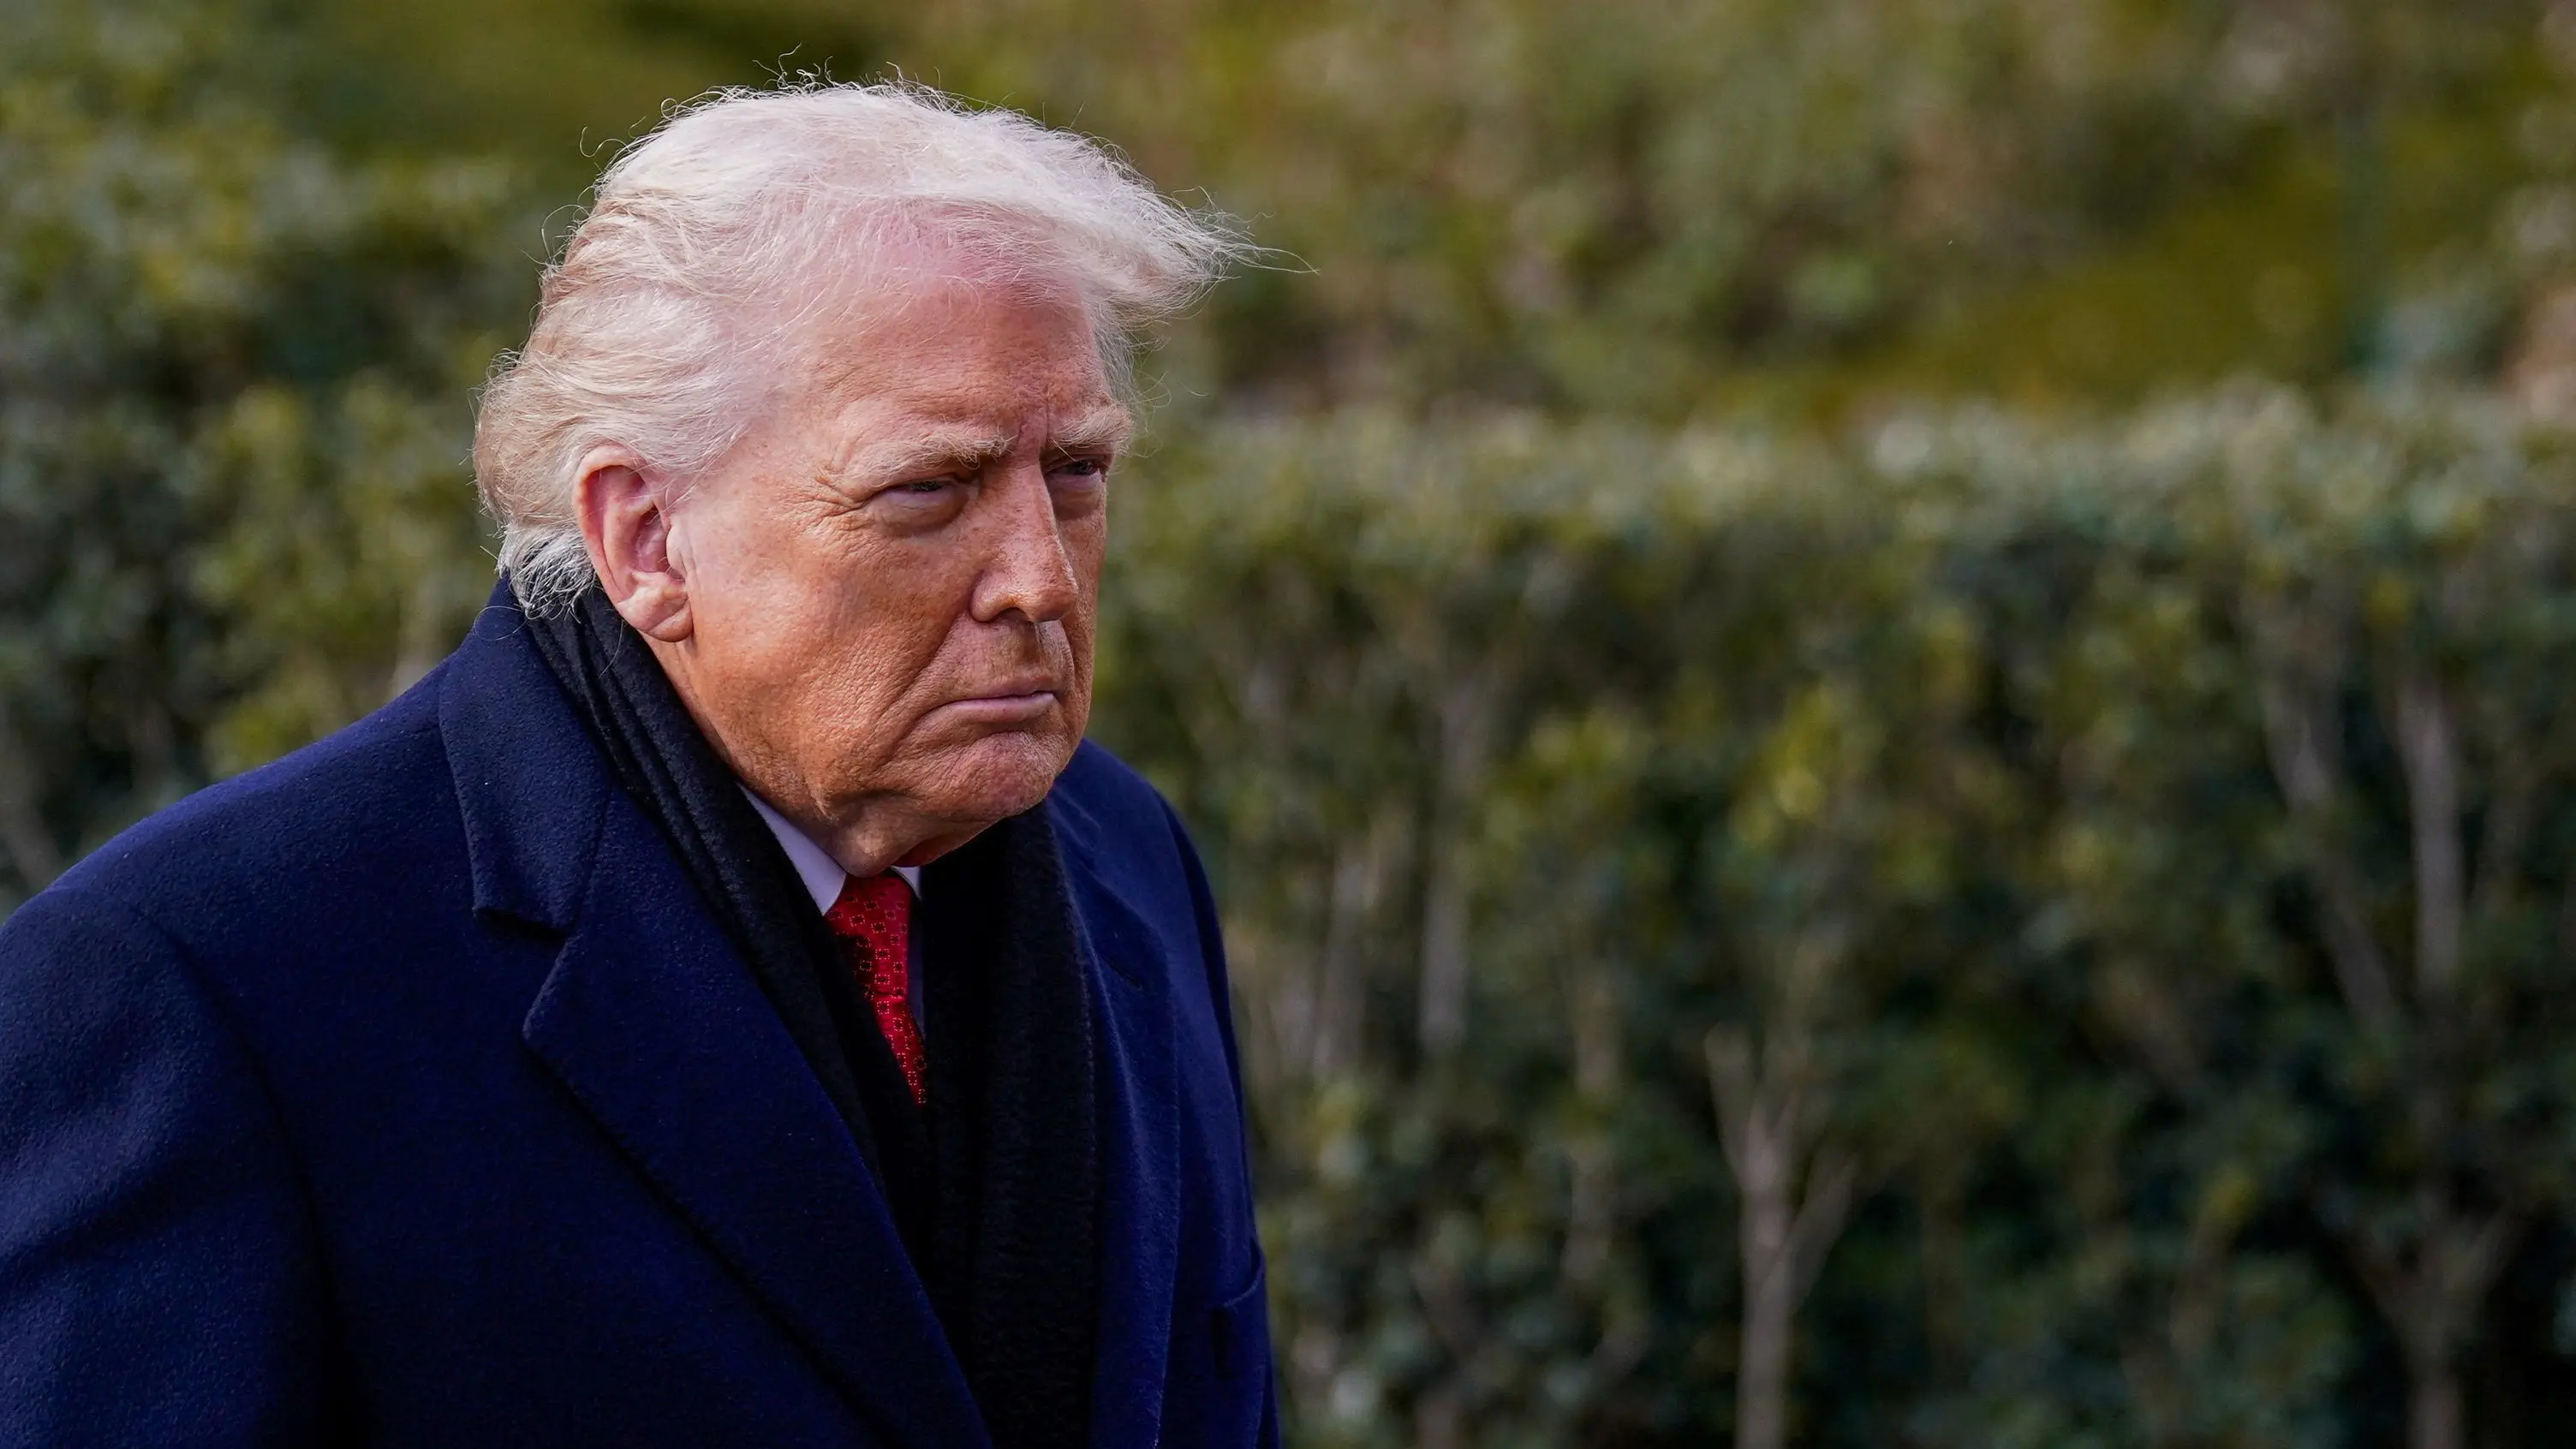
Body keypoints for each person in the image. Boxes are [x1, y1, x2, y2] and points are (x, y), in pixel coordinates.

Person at [0, 83, 1273, 1448]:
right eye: (929, 490)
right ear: (646, 536)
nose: (1037, 576)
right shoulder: (195, 984)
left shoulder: (1127, 854)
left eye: (1075, 471)